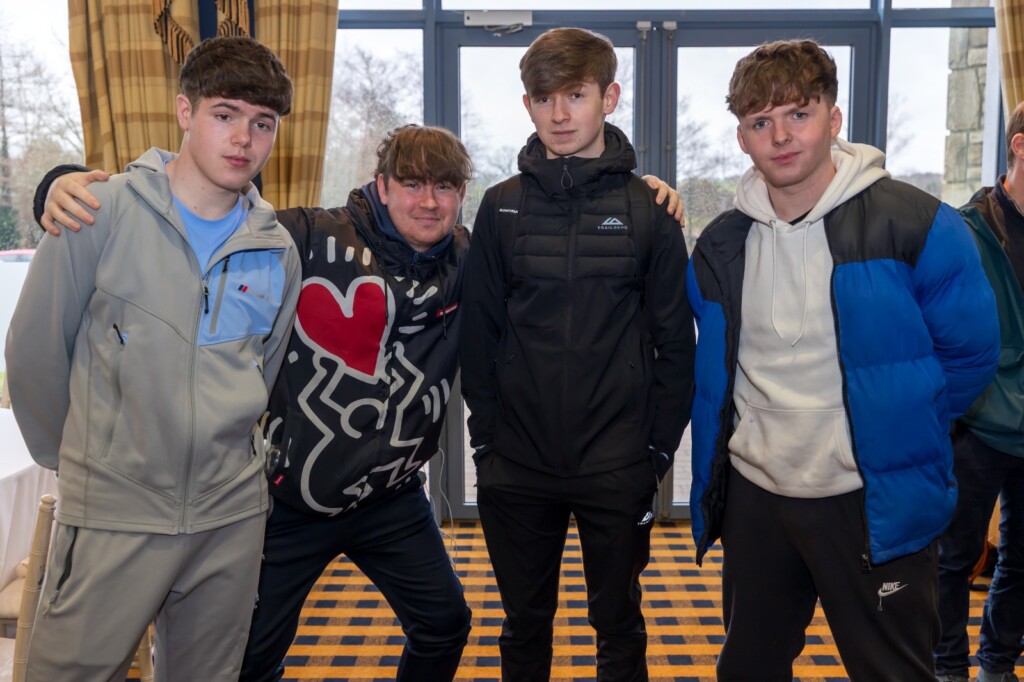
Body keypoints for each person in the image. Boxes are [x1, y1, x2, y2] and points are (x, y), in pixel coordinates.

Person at [37, 130, 684, 681]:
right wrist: (61, 186)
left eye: (445, 188)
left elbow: (557, 263)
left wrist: (642, 197)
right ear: (381, 185)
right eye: (412, 184)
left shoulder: (470, 258)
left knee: (445, 624)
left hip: (392, 500)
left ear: (462, 194)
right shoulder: (307, 236)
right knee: (248, 656)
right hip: (290, 498)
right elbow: (207, 209)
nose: (428, 202)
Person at [685, 39, 1001, 682]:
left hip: (870, 497)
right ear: (741, 139)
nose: (781, 136)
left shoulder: (919, 224)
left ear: (834, 118)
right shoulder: (719, 244)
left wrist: (895, 427)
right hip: (757, 497)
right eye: (760, 122)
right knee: (747, 669)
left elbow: (971, 357)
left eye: (798, 114)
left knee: (892, 672)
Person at [5, 35, 301, 681]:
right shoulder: (97, 212)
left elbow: (265, 365)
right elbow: (33, 354)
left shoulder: (276, 247)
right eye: (225, 114)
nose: (243, 139)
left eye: (262, 123)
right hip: (115, 510)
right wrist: (88, 462)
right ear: (185, 111)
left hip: (230, 515)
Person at [459, 27, 695, 681]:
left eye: (575, 95)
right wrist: (487, 444)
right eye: (544, 98)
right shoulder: (500, 207)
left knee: (618, 624)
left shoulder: (650, 210)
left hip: (617, 464)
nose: (559, 114)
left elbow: (675, 346)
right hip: (516, 464)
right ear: (527, 105)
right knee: (523, 626)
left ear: (608, 97)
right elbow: (479, 337)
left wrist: (656, 453)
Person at [933, 101, 1024, 682]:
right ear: (1020, 145)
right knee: (953, 558)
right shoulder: (968, 230)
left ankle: (997, 661)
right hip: (978, 422)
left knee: (1022, 559)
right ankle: (947, 667)